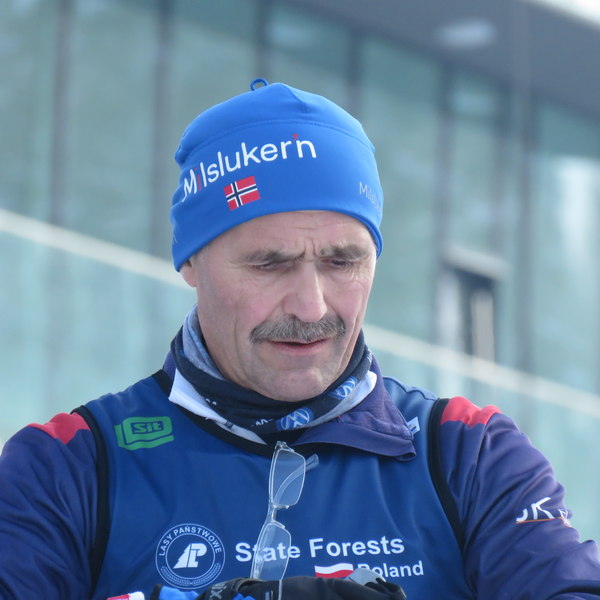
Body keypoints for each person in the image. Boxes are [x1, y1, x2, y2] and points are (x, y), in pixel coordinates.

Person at [0, 79, 599, 600]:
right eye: (269, 264)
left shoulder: (469, 453)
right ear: (191, 264)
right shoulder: (69, 466)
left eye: (342, 261)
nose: (311, 306)